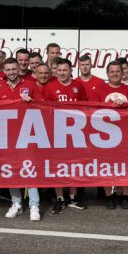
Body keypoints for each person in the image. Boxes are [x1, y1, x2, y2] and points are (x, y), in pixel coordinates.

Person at [0, 58, 42, 221]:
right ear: (4, 71)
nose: (11, 72)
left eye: (14, 69)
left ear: (19, 68)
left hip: (27, 134)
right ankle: (17, 203)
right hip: (6, 135)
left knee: (29, 169)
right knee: (11, 170)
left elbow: (43, 107)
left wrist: (32, 102)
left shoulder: (31, 85)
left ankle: (34, 205)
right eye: (8, 70)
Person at [42, 59, 88, 213]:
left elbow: (86, 107)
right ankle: (60, 198)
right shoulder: (50, 87)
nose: (62, 73)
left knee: (74, 165)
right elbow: (43, 109)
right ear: (56, 71)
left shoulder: (78, 86)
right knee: (58, 167)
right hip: (57, 133)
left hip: (76, 133)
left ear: (70, 71)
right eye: (59, 70)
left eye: (65, 70)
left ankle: (73, 197)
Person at [91, 61, 128, 210]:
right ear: (107, 73)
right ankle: (109, 196)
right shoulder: (100, 89)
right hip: (104, 136)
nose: (115, 74)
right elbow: (92, 111)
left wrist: (124, 106)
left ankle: (125, 195)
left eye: (118, 71)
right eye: (112, 71)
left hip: (125, 134)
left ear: (122, 73)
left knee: (125, 165)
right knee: (106, 166)